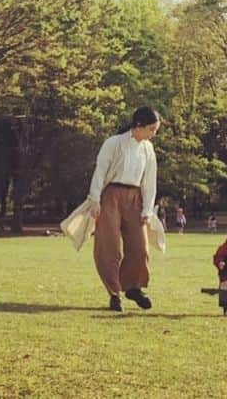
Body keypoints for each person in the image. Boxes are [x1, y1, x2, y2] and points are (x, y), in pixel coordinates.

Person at [87, 105, 161, 312]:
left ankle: (133, 287)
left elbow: (150, 181)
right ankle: (114, 293)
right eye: (151, 129)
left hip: (134, 198)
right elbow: (100, 171)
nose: (153, 134)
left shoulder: (148, 149)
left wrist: (147, 209)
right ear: (139, 126)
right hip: (110, 195)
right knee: (109, 246)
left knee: (140, 247)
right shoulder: (114, 143)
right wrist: (95, 199)